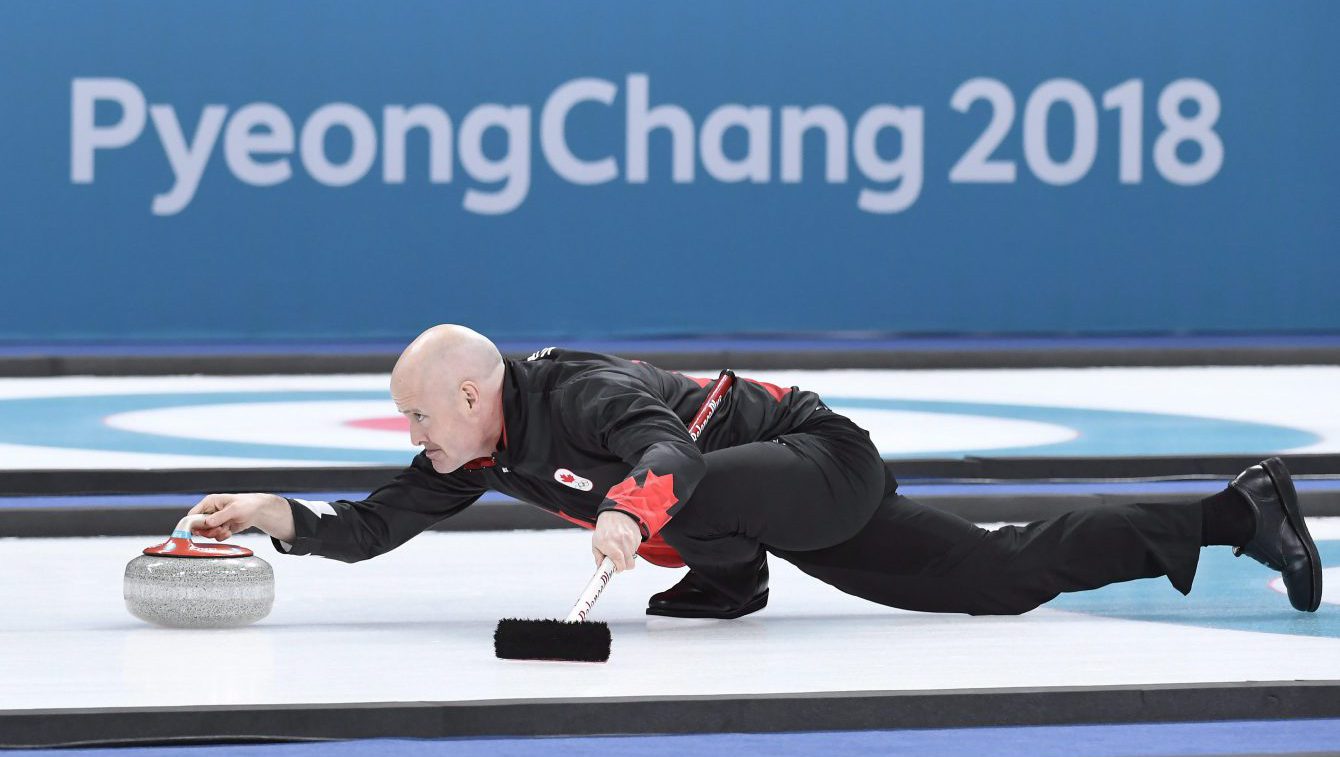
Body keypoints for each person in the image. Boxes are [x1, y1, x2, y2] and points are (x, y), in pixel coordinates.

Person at [188, 324, 1323, 618]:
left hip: (814, 460)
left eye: (415, 413)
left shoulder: (572, 390)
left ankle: (728, 572)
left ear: (475, 394)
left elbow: (669, 451)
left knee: (685, 485)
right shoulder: (470, 450)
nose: (408, 436)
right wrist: (280, 513)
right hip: (769, 505)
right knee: (996, 578)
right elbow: (377, 520)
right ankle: (1235, 509)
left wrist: (634, 515)